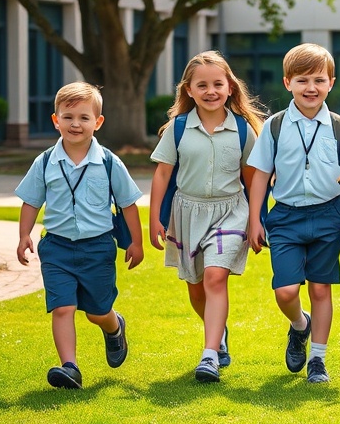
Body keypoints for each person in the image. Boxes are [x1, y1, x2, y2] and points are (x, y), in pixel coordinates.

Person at [247, 43, 340, 383]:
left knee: (319, 289)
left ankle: (318, 360)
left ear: (331, 82)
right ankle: (300, 325)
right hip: (285, 217)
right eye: (302, 80)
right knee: (285, 291)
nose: (311, 88)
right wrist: (255, 218)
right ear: (287, 83)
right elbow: (260, 176)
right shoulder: (274, 126)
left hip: (329, 214)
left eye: (318, 80)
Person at [15, 82, 144, 389]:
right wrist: (23, 236)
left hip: (97, 248)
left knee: (97, 312)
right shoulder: (45, 161)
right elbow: (31, 200)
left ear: (97, 123)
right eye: (68, 116)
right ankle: (69, 366)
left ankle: (114, 327)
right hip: (56, 248)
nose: (75, 124)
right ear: (55, 119)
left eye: (84, 118)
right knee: (62, 307)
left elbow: (128, 204)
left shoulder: (109, 162)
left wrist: (136, 243)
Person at [149, 51, 264, 383]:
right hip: (187, 212)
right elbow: (162, 174)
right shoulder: (179, 128)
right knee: (196, 288)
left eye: (218, 83)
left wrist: (256, 221)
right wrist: (155, 217)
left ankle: (210, 355)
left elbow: (252, 179)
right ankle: (219, 331)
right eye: (202, 85)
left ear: (230, 87)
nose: (211, 91)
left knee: (215, 277)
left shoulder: (243, 130)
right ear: (188, 89)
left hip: (231, 211)